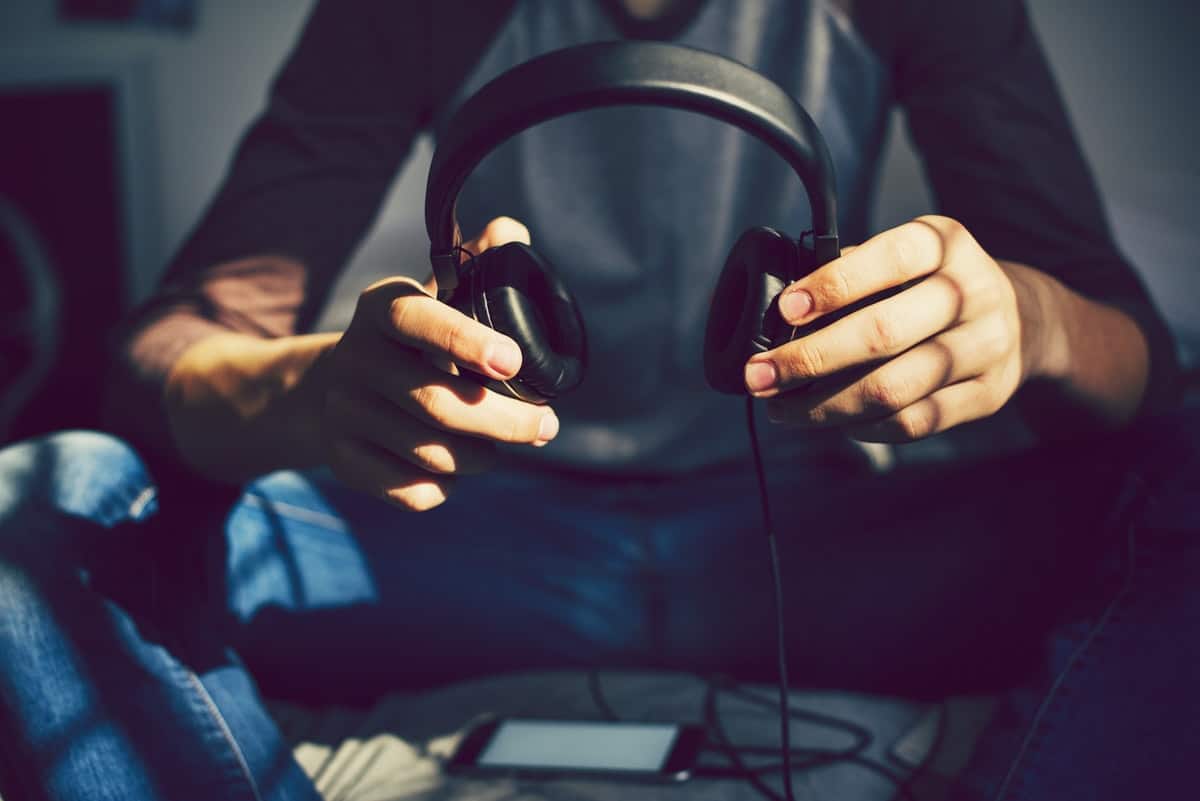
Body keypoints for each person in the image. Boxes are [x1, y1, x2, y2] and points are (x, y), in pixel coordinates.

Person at [0, 1, 1195, 799]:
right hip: (463, 536)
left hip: (813, 548)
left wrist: (1029, 322)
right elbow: (163, 355)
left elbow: (1138, 367)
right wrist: (306, 391)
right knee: (38, 499)